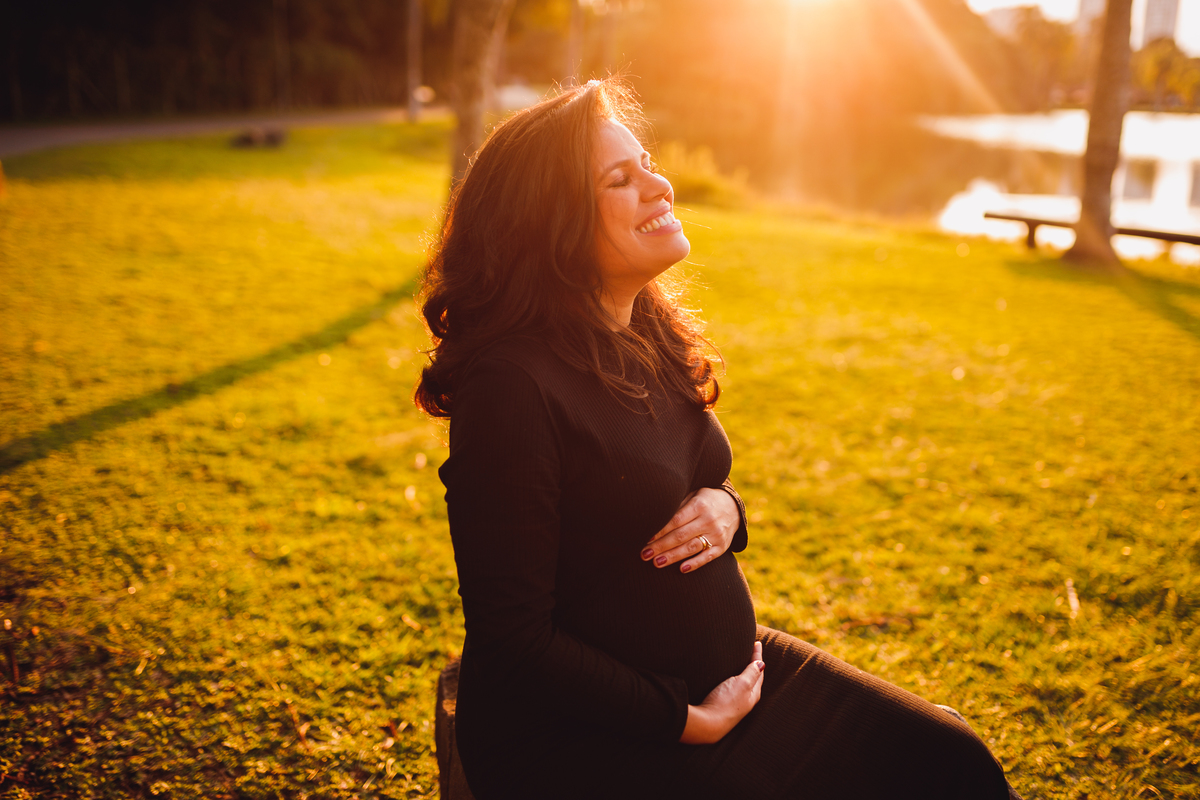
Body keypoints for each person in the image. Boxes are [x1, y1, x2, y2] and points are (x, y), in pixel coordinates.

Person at [415, 79, 1021, 800]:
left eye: (648, 162)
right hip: (585, 740)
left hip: (730, 687)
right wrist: (682, 719)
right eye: (621, 178)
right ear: (551, 223)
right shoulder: (511, 385)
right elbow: (514, 639)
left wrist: (729, 511)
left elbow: (677, 476)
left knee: (952, 759)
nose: (660, 184)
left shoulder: (643, 330)